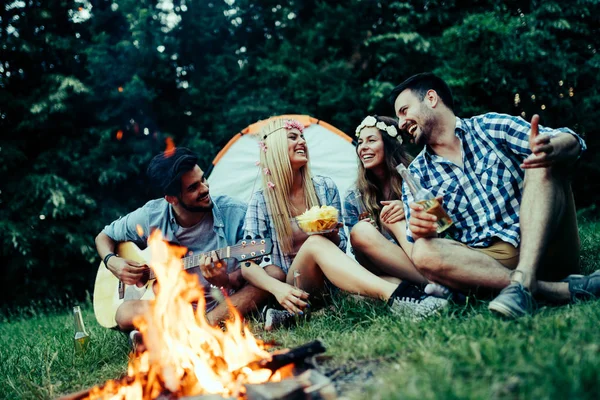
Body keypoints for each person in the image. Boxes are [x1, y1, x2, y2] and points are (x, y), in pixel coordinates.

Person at [389, 72, 599, 318]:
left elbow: (572, 140)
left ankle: (523, 285)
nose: (401, 123)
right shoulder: (417, 174)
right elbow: (425, 245)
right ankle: (549, 289)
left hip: (545, 241)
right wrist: (424, 230)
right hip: (489, 263)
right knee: (423, 251)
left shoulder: (491, 126)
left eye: (404, 111)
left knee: (540, 160)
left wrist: (553, 147)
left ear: (432, 99)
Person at [239, 118, 449, 329]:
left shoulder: (324, 187)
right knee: (315, 244)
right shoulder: (262, 201)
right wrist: (278, 289)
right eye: (293, 137)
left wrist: (332, 235)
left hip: (333, 283)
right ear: (274, 148)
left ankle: (434, 294)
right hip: (296, 285)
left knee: (385, 283)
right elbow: (247, 265)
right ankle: (398, 298)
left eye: (302, 136)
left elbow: (339, 245)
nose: (302, 141)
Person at [95, 147, 285, 334]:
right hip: (179, 308)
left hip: (227, 301)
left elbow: (248, 272)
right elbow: (103, 237)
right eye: (193, 188)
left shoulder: (236, 213)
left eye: (202, 179)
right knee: (124, 313)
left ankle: (204, 325)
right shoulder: (151, 216)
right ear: (171, 199)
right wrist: (112, 261)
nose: (205, 188)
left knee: (274, 273)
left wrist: (224, 279)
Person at [343, 115, 429, 287]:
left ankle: (417, 284)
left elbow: (440, 218)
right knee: (361, 230)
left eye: (371, 140)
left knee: (393, 215)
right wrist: (368, 234)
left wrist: (407, 208)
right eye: (360, 142)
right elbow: (359, 255)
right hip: (383, 265)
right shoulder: (353, 197)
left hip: (423, 254)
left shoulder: (415, 175)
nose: (363, 148)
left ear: (390, 145)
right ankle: (432, 283)